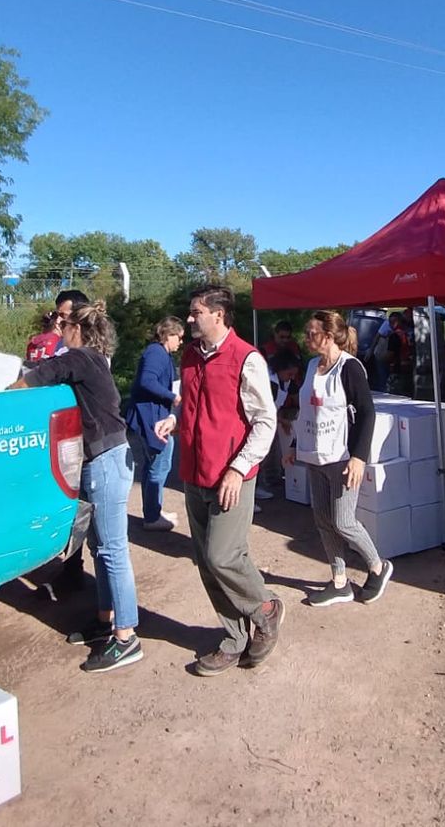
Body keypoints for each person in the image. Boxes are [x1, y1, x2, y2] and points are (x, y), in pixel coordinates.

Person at [154, 285, 283, 676]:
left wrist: (237, 468)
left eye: (196, 313)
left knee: (222, 555)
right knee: (207, 562)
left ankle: (265, 608)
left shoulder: (247, 359)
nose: (190, 319)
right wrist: (175, 422)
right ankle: (234, 639)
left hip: (231, 476)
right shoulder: (191, 356)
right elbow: (195, 406)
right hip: (193, 473)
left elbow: (265, 422)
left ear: (219, 315)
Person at [11, 302, 142, 672]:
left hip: (107, 460)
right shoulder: (92, 359)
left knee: (113, 549)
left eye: (62, 323)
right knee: (101, 547)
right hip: (102, 459)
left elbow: (34, 378)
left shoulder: (82, 358)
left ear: (77, 330)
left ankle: (126, 636)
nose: (57, 327)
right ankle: (105, 620)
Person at [289, 310, 393, 607]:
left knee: (344, 521)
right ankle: (339, 582)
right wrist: (295, 444)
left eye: (312, 333)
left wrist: (359, 457)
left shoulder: (350, 368)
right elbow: (306, 410)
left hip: (342, 456)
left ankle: (377, 566)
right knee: (322, 520)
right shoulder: (310, 367)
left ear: (329, 336)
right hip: (314, 456)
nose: (307, 338)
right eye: (306, 333)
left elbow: (367, 412)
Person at [126, 316, 184, 531]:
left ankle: (154, 509)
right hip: (150, 416)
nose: (180, 342)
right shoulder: (156, 353)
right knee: (159, 463)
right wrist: (172, 397)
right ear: (168, 335)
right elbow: (147, 381)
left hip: (152, 414)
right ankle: (151, 516)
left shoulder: (159, 354)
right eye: (178, 337)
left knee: (157, 464)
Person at [258, 349, 302, 498]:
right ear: (280, 369)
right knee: (259, 453)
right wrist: (283, 421)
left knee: (271, 450)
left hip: (269, 419)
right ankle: (254, 487)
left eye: (294, 374)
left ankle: (271, 479)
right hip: (258, 420)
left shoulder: (287, 381)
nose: (292, 377)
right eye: (290, 374)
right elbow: (264, 409)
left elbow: (298, 399)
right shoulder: (270, 383)